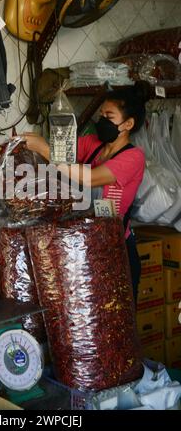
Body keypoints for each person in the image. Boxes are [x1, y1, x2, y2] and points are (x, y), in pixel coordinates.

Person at [20, 81, 150, 304]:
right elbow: (61, 154)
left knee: (116, 320)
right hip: (84, 246)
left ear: (128, 124)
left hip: (116, 250)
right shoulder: (94, 143)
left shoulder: (133, 157)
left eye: (109, 117)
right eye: (101, 115)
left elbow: (89, 177)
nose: (102, 121)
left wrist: (44, 148)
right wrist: (25, 146)